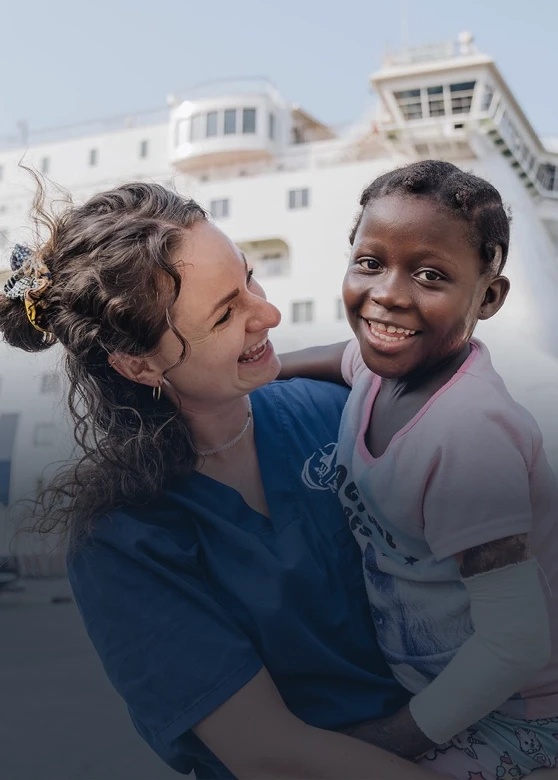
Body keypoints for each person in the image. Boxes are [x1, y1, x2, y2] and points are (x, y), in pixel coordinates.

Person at [0, 180, 463, 780]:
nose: (266, 313)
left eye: (248, 278)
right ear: (138, 364)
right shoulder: (121, 538)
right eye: (225, 314)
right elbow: (269, 753)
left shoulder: (340, 407)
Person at [279, 160, 558, 779]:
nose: (389, 293)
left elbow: (515, 644)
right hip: (436, 684)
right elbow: (341, 357)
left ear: (488, 297)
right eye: (370, 262)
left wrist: (389, 739)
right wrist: (261, 369)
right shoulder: (384, 368)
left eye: (430, 275)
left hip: (522, 709)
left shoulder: (466, 434)